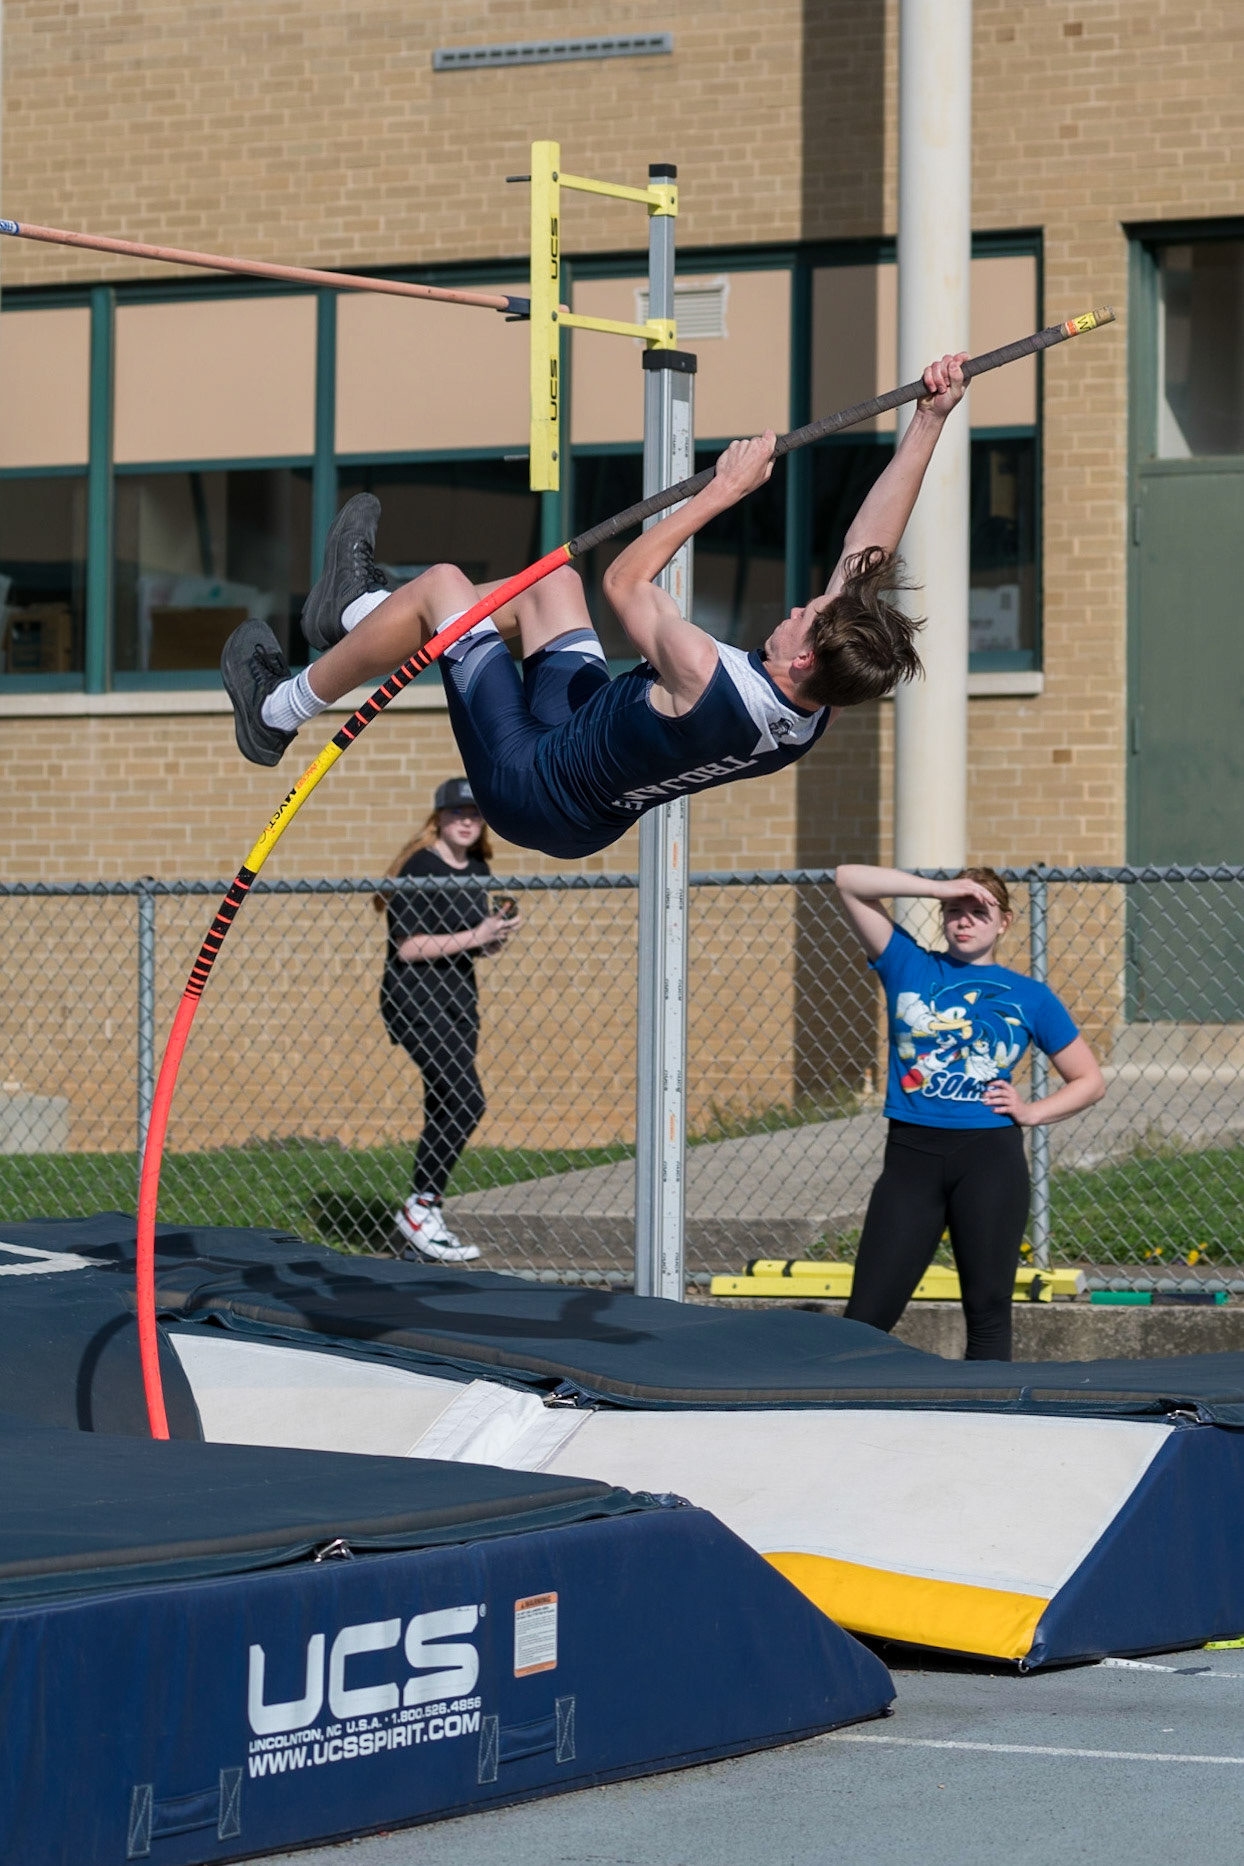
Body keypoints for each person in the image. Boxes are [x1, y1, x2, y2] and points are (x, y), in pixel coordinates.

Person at [221, 355, 970, 859]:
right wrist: (930, 420)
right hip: (586, 776)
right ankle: (359, 616)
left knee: (446, 587)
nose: (799, 607)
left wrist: (724, 491)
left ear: (802, 657)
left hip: (531, 785)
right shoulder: (815, 705)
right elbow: (866, 550)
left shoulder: (703, 670)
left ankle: (279, 709)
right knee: (550, 585)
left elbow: (625, 580)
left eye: (804, 616)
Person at [833, 864, 1106, 1360]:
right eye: (954, 910)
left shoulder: (1030, 996)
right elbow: (848, 880)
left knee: (987, 1310)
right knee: (868, 1313)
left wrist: (1031, 1112)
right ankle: (837, 1400)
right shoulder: (908, 965)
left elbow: (1089, 1081)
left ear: (1004, 922)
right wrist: (941, 887)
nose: (964, 921)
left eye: (979, 911)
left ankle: (986, 1406)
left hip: (989, 1159)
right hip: (911, 1159)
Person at [376, 777, 522, 1263]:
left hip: (459, 1002)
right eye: (457, 812)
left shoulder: (477, 869)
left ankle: (421, 1227)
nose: (467, 821)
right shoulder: (421, 866)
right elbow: (409, 946)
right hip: (416, 1001)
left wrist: (494, 935)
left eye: (475, 813)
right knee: (467, 1100)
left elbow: (468, 943)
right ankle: (421, 1209)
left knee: (444, 1104)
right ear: (438, 818)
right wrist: (476, 935)